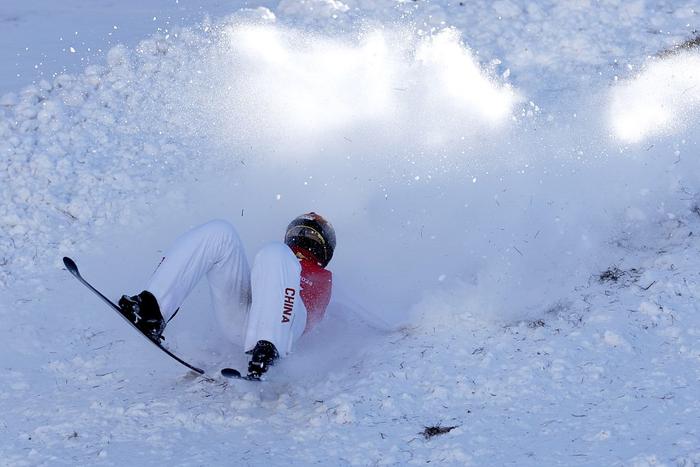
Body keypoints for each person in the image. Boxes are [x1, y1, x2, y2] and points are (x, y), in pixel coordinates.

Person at [117, 212, 335, 379]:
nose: (303, 239)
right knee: (220, 232)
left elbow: (318, 313)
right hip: (244, 319)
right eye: (299, 232)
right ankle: (153, 308)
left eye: (311, 236)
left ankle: (269, 348)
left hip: (287, 326)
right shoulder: (275, 261)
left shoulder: (320, 276)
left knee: (274, 252)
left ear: (324, 249)